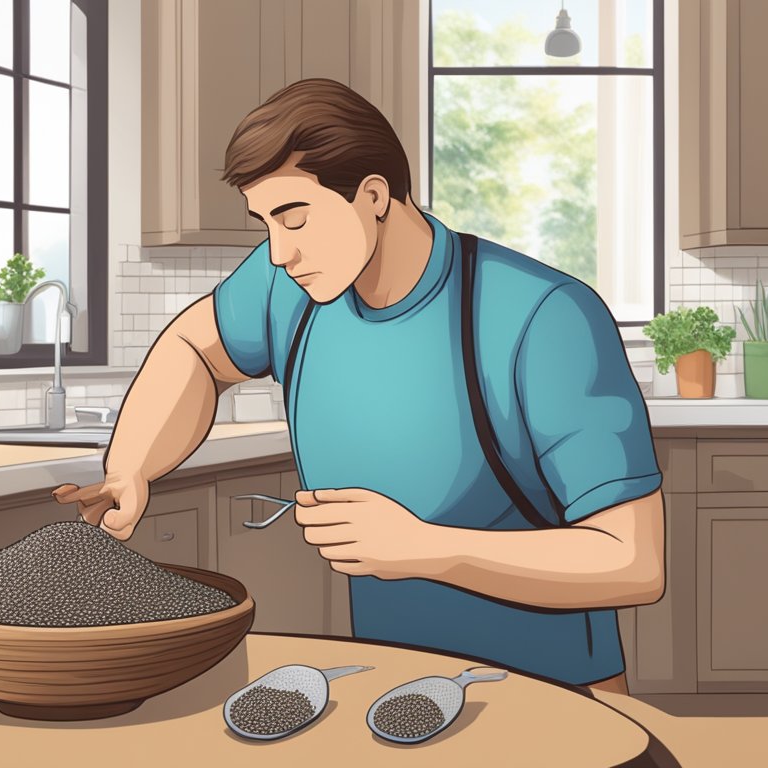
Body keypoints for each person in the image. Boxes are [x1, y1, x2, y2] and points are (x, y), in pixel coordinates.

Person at [53, 78, 664, 693]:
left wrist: (427, 548)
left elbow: (631, 561)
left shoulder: (541, 316)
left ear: (373, 195)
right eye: (265, 224)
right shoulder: (289, 292)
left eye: (294, 219)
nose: (278, 254)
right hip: (390, 681)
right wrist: (132, 465)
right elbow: (194, 349)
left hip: (549, 693)